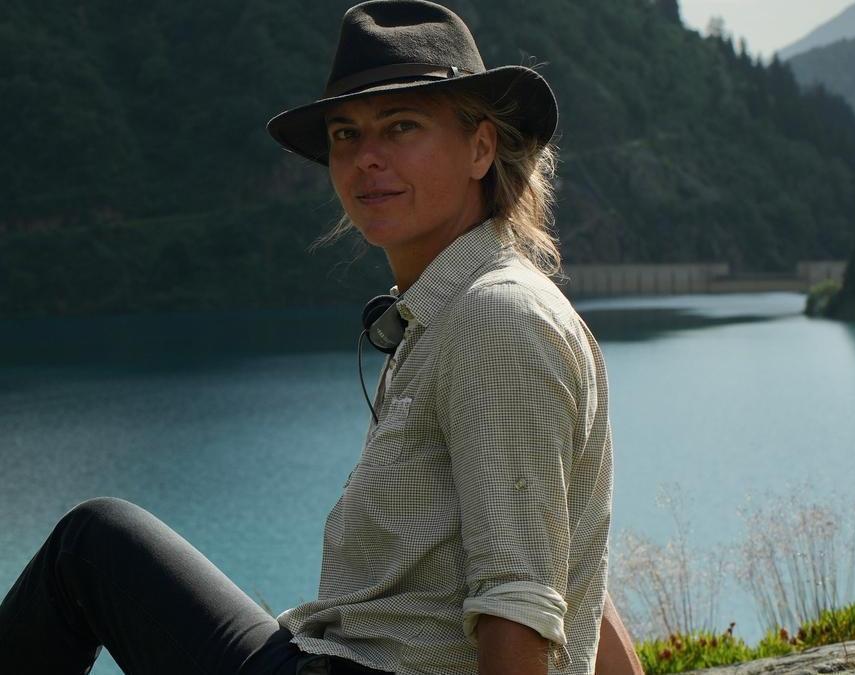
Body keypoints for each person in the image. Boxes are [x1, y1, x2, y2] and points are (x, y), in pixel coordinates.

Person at [0, 1, 643, 674]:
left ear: (481, 147)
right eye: (345, 134)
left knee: (90, 546)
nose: (366, 158)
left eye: (401, 126)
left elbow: (521, 600)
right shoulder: (452, 312)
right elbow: (566, 559)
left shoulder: (495, 316)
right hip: (330, 657)